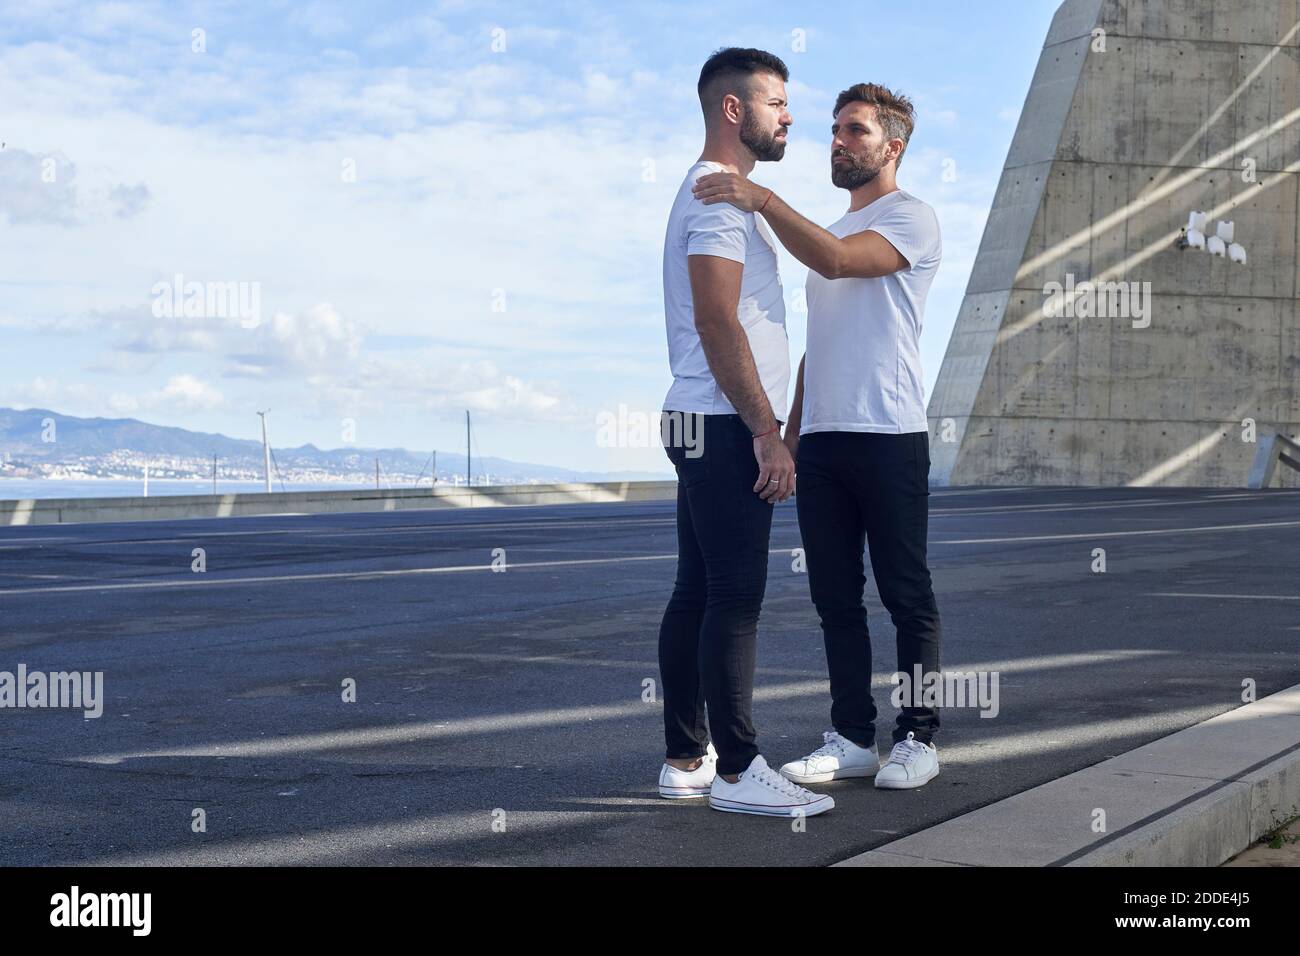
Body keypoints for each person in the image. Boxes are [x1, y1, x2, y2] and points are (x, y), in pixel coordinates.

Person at [693, 82, 944, 792]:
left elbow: (836, 259)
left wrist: (760, 199)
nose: (838, 140)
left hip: (889, 433)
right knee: (834, 597)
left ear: (892, 146)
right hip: (826, 442)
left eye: (855, 131)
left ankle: (919, 737)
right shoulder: (832, 227)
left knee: (906, 593)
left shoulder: (912, 218)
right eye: (834, 130)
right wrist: (789, 435)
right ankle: (854, 736)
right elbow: (818, 347)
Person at [656, 47, 833, 818]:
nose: (789, 115)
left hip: (697, 415)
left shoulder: (720, 196)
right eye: (778, 102)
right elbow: (715, 317)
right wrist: (768, 430)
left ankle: (685, 758)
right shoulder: (718, 201)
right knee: (735, 594)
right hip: (725, 421)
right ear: (735, 109)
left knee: (697, 589)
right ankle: (737, 771)